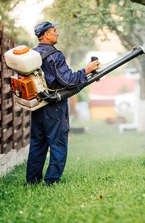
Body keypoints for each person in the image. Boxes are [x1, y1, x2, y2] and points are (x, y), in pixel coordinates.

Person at [26, 21, 100, 185]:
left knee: (38, 142)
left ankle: (32, 180)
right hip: (54, 107)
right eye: (54, 30)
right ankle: (52, 180)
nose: (57, 33)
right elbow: (68, 81)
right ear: (46, 34)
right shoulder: (55, 55)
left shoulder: (33, 55)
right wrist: (86, 70)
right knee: (58, 142)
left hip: (38, 105)